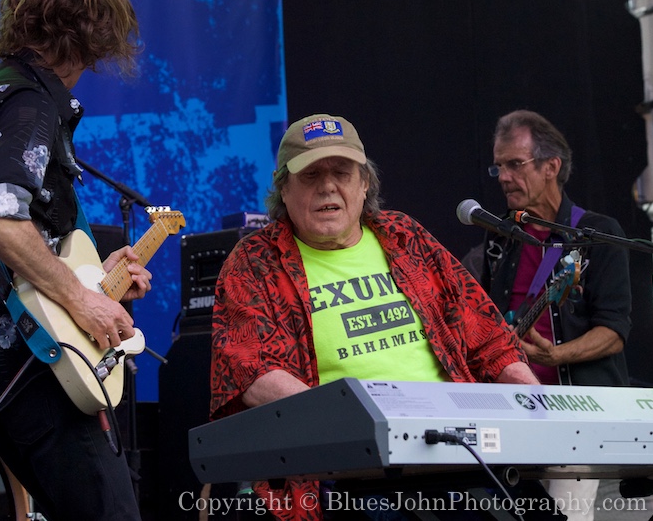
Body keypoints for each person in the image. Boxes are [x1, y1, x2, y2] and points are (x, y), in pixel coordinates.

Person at [210, 113, 539, 521]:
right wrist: (355, 424)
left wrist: (539, 412)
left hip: (458, 449)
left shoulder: (405, 236)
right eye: (311, 175)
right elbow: (250, 369)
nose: (328, 185)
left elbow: (488, 337)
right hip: (344, 469)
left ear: (365, 183)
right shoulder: (254, 261)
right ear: (283, 187)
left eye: (342, 173)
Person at [0, 0, 151, 521]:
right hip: (27, 364)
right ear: (93, 28)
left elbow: (6, 238)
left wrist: (98, 278)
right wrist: (81, 299)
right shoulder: (30, 103)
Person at [477, 110, 632, 521]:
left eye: (515, 164)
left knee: (566, 515)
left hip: (575, 413)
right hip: (509, 413)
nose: (503, 177)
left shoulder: (597, 234)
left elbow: (615, 331)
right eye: (499, 166)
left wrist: (556, 356)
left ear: (551, 167)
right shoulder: (500, 238)